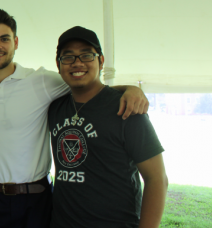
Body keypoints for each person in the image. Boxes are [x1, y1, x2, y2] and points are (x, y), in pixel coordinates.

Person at [0, 9, 149, 227]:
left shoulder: (42, 81)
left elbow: (87, 84)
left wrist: (130, 89)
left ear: (15, 42)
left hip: (36, 200)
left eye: (4, 39)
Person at [48, 26, 167, 227]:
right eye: (68, 57)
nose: (77, 63)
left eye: (86, 55)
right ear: (58, 65)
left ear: (100, 61)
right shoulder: (55, 108)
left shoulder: (127, 109)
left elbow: (157, 179)